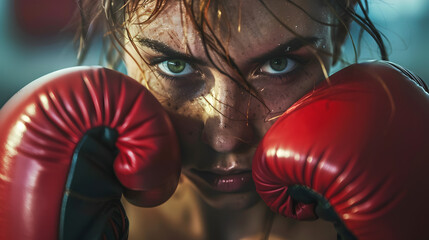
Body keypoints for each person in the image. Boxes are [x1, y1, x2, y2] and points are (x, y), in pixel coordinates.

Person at [72, 0, 392, 239]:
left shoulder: (402, 201)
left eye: (279, 65)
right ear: (120, 43)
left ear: (338, 36)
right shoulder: (78, 204)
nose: (225, 138)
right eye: (174, 66)